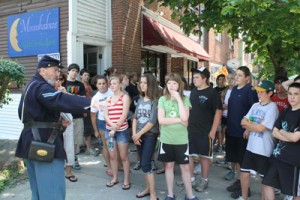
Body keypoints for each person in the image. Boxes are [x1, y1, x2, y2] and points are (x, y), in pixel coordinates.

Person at [15, 55, 92, 200]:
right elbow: (60, 99)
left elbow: (23, 114)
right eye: (55, 70)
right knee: (52, 193)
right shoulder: (41, 86)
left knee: (38, 193)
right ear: (42, 71)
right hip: (44, 144)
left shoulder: (31, 85)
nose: (58, 74)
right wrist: (91, 103)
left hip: (32, 141)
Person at [157, 73, 198, 200]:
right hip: (166, 139)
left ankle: (190, 196)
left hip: (181, 140)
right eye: (169, 83)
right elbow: (161, 120)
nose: (171, 86)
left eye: (174, 83)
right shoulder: (162, 99)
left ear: (179, 85)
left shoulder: (185, 99)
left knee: (185, 167)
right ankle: (170, 194)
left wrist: (179, 99)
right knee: (168, 166)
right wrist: (178, 119)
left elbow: (185, 119)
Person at [238, 80, 279, 200]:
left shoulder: (273, 107)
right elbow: (243, 121)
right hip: (251, 147)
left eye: (261, 92)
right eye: (258, 91)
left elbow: (262, 128)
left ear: (270, 93)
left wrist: (250, 126)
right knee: (244, 173)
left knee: (264, 179)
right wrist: (252, 125)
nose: (258, 94)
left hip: (263, 149)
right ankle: (243, 197)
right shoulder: (255, 105)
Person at [262, 82, 300, 200]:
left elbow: (295, 138)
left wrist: (282, 132)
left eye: (296, 94)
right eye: (290, 93)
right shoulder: (286, 111)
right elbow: (274, 132)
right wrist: (287, 134)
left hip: (293, 160)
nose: (292, 97)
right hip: (277, 156)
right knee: (267, 183)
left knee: (295, 193)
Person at [187, 67, 222, 192]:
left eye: (197, 77)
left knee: (204, 157)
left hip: (206, 131)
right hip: (191, 130)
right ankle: (190, 179)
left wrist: (213, 131)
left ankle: (204, 180)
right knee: (189, 155)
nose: (194, 79)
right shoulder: (193, 91)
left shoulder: (212, 93)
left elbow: (218, 112)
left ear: (205, 79)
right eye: (194, 77)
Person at [225, 66, 258, 199]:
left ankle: (246, 188)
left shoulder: (250, 91)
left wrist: (248, 128)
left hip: (242, 132)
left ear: (247, 78)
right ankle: (240, 182)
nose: (236, 77)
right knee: (236, 160)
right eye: (236, 75)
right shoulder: (234, 90)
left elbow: (254, 110)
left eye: (239, 75)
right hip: (232, 130)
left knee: (243, 161)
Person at [132, 73, 159, 200]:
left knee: (146, 163)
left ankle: (153, 193)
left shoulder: (155, 102)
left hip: (149, 135)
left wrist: (138, 134)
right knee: (144, 164)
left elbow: (152, 122)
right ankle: (148, 189)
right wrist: (134, 135)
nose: (141, 85)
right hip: (138, 136)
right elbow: (135, 118)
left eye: (144, 82)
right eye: (140, 82)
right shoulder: (141, 100)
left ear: (151, 85)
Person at [104, 76, 131, 190]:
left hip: (121, 131)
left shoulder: (125, 97)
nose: (112, 85)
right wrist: (111, 125)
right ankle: (115, 178)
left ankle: (126, 180)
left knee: (123, 156)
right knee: (112, 156)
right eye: (111, 84)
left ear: (120, 84)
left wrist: (115, 128)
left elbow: (124, 115)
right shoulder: (108, 98)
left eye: (115, 83)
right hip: (109, 132)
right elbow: (106, 114)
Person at [55, 73, 77, 182]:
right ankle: (56, 172)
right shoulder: (46, 91)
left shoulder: (64, 91)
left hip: (67, 122)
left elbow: (74, 103)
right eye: (56, 79)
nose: (58, 81)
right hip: (52, 124)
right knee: (54, 148)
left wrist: (65, 93)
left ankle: (69, 172)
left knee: (68, 146)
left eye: (60, 79)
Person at [90, 75, 113, 176]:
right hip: (102, 123)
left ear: (107, 83)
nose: (102, 86)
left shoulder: (112, 92)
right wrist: (95, 130)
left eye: (104, 83)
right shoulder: (95, 98)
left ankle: (119, 165)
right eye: (99, 84)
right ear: (96, 85)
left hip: (115, 122)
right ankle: (109, 167)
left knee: (115, 145)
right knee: (106, 146)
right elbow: (93, 115)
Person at [66, 63, 86, 170]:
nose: (74, 73)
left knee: (76, 139)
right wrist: (75, 98)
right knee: (65, 138)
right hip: (65, 115)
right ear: (68, 71)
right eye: (73, 70)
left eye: (76, 71)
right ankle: (66, 159)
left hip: (78, 115)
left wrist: (70, 96)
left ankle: (73, 158)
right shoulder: (64, 83)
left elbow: (82, 99)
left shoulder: (80, 85)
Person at [80, 68, 98, 156]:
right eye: (85, 75)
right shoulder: (81, 85)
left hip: (91, 107)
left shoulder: (89, 85)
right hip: (85, 108)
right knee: (87, 128)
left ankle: (87, 146)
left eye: (88, 75)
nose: (87, 77)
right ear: (81, 76)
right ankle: (88, 147)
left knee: (89, 127)